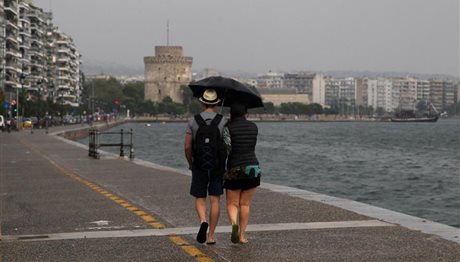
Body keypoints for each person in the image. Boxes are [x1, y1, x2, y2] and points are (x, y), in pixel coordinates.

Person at [184, 88, 227, 245]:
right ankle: (211, 236)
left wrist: (191, 162)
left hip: (199, 164)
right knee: (215, 200)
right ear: (216, 103)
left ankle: (203, 221)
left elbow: (187, 147)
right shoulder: (223, 121)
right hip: (217, 165)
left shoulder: (193, 121)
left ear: (202, 102)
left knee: (200, 197)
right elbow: (227, 145)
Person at [223, 103, 261, 244]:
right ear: (246, 114)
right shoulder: (254, 127)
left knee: (232, 203)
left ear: (232, 114)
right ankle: (242, 236)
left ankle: (234, 224)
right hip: (253, 167)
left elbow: (227, 148)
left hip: (235, 168)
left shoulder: (228, 128)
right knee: (245, 204)